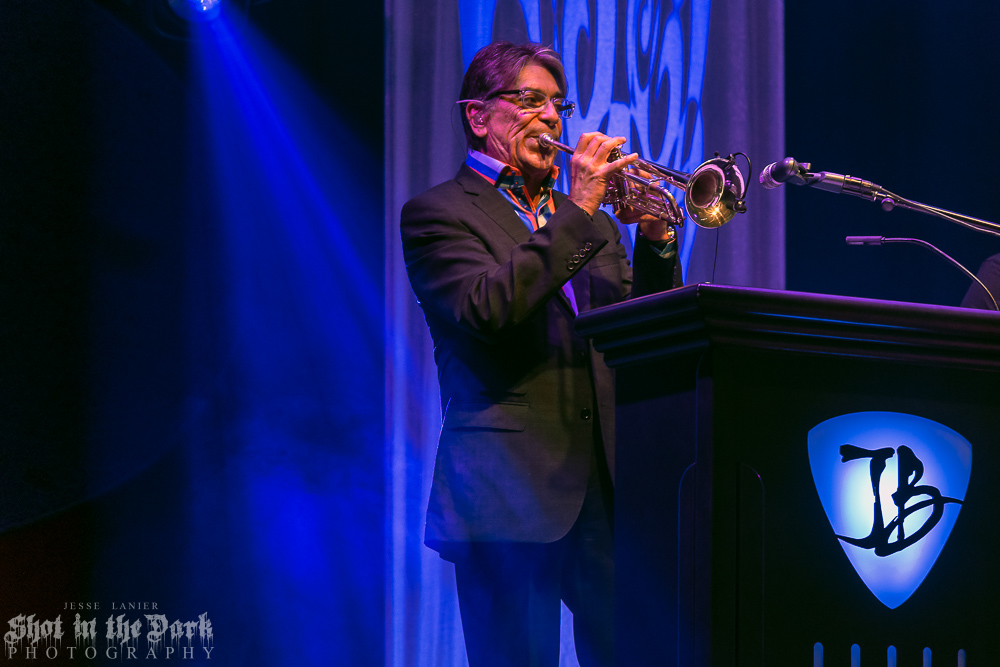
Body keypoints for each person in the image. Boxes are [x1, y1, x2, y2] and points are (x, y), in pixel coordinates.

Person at [399, 41, 681, 667]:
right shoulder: (437, 214)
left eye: (558, 104)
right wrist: (580, 209)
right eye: (531, 101)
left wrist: (657, 240)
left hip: (607, 492)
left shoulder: (594, 225)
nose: (552, 118)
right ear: (479, 116)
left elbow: (639, 336)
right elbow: (485, 310)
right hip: (506, 491)